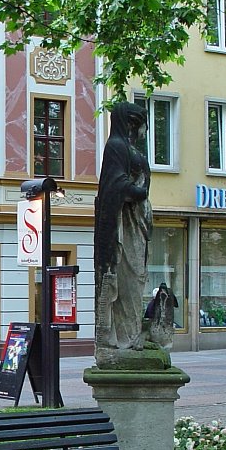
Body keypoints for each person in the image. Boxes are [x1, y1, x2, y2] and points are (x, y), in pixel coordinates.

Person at [94, 101, 152, 360]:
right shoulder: (116, 147)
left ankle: (132, 334)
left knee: (136, 278)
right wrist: (138, 190)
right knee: (127, 278)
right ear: (133, 123)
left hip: (136, 222)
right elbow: (115, 185)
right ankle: (121, 339)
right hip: (123, 226)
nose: (146, 131)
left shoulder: (128, 148)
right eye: (144, 125)